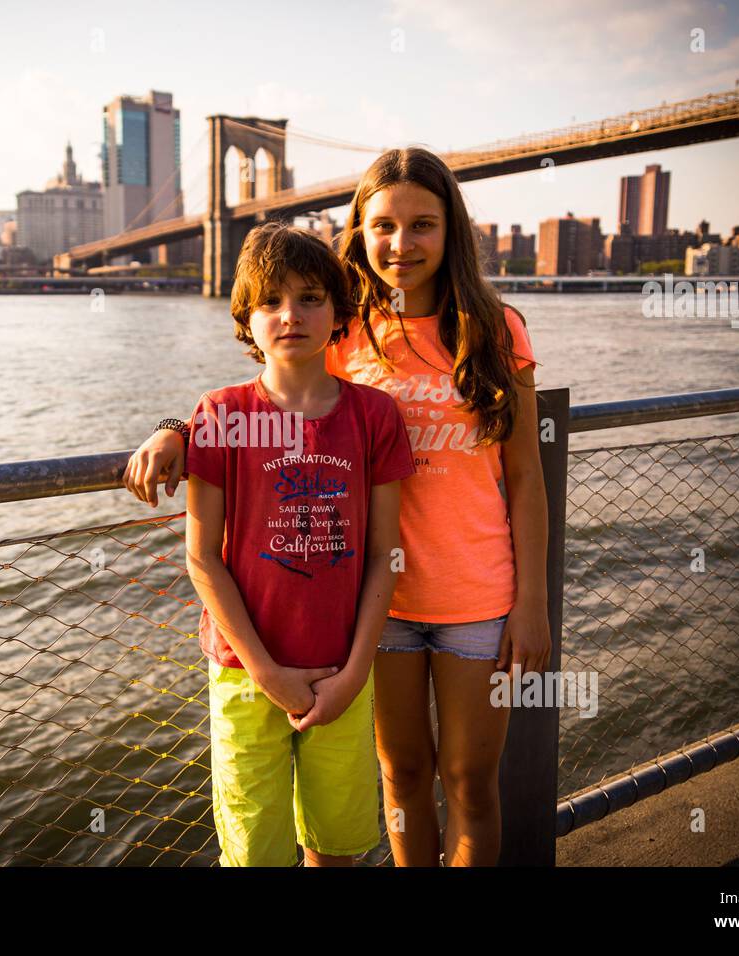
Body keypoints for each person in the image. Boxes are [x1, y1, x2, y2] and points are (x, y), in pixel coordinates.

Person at [126, 147, 552, 867]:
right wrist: (175, 429)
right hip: (369, 609)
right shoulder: (343, 328)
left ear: (451, 231)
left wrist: (533, 602)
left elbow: (526, 478)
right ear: (360, 231)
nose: (401, 243)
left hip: (477, 595)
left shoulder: (496, 329)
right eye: (382, 225)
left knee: (471, 783)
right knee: (401, 776)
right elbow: (265, 390)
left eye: (422, 224)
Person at [183, 220, 414, 867]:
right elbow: (202, 557)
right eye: (271, 301)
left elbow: (384, 554)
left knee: (335, 849)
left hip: (342, 670)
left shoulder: (374, 416)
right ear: (245, 320)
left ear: (339, 313)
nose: (291, 314)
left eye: (311, 297)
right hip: (242, 671)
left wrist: (357, 670)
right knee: (255, 854)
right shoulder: (222, 415)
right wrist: (264, 670)